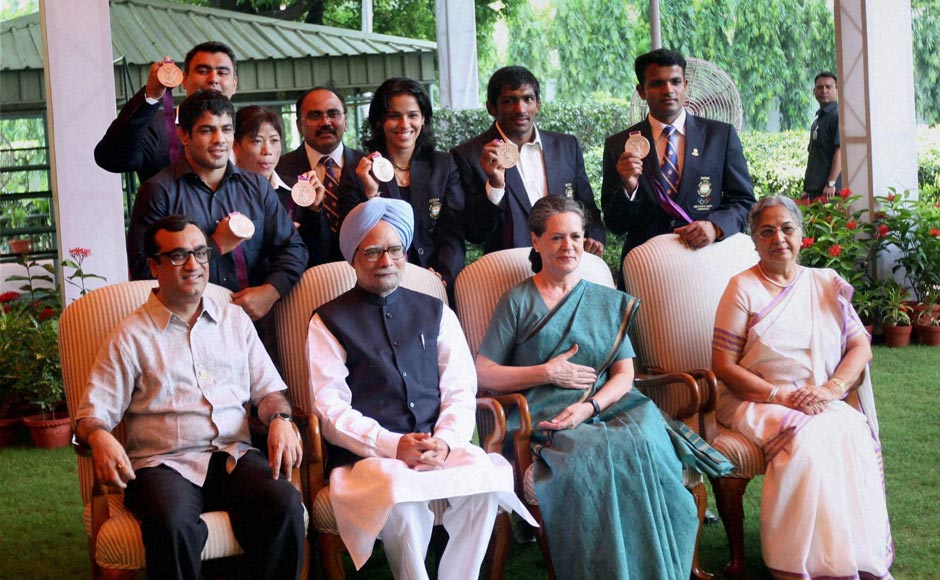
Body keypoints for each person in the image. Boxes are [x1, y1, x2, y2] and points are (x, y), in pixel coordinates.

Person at [475, 196, 731, 578]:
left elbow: (625, 374)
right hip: (548, 419)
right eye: (557, 237)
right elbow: (484, 371)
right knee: (590, 459)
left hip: (613, 407)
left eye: (576, 236)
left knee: (644, 448)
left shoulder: (604, 301)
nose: (569, 246)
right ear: (536, 241)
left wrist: (590, 407)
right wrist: (545, 373)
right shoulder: (517, 301)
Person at [306, 197, 534, 579]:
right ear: (353, 257)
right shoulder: (328, 320)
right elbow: (330, 410)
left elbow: (461, 389)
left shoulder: (437, 311)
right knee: (401, 494)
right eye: (374, 251)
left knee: (485, 477)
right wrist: (393, 445)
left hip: (439, 447)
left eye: (395, 250)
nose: (386, 261)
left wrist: (444, 441)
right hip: (370, 458)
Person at [74, 215, 306, 580]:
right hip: (164, 464)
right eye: (178, 256)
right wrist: (100, 436)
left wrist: (281, 420)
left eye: (200, 253)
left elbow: (270, 392)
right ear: (154, 265)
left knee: (284, 504)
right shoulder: (130, 335)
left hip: (234, 455)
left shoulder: (236, 321)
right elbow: (92, 413)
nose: (194, 265)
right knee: (172, 523)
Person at [712, 195, 892, 579]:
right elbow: (723, 366)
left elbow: (860, 346)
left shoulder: (825, 282)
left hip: (817, 397)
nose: (779, 238)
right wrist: (781, 396)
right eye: (767, 231)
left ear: (801, 234)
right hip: (757, 399)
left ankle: (848, 557)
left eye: (787, 228)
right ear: (755, 240)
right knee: (807, 440)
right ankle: (795, 561)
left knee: (851, 430)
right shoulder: (741, 287)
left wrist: (831, 388)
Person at [127, 90, 308, 321]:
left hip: (253, 323)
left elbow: (293, 248)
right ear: (183, 135)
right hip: (187, 324)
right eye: (207, 130)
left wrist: (271, 292)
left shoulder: (256, 187)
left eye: (226, 129)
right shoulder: (159, 191)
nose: (219, 139)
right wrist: (215, 246)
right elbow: (145, 269)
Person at [602, 48, 755, 265]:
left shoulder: (720, 136)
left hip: (707, 261)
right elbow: (614, 224)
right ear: (641, 91)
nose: (668, 90)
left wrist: (715, 226)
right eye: (657, 83)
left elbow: (745, 201)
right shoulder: (619, 145)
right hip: (645, 267)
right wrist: (628, 187)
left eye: (675, 81)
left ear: (686, 85)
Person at [451, 66, 605, 256]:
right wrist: (495, 186)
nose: (520, 109)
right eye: (509, 101)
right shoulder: (469, 155)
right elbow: (475, 233)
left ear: (538, 104)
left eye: (528, 99)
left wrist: (595, 239)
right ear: (491, 107)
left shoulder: (566, 146)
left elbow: (587, 209)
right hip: (508, 269)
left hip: (567, 262)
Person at [338, 78, 465, 292]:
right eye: (394, 116)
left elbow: (453, 232)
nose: (405, 125)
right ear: (379, 121)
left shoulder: (444, 165)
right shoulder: (358, 171)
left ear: (424, 119)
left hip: (436, 281)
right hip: (379, 283)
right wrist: (371, 195)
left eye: (413, 115)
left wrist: (441, 276)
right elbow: (352, 239)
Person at [96, 41, 239, 184]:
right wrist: (150, 96)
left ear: (234, 83)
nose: (213, 79)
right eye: (202, 71)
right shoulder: (156, 127)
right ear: (184, 79)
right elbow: (111, 158)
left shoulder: (248, 129)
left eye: (222, 73)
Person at [277, 86, 365, 266]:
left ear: (346, 121)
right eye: (315, 116)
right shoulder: (279, 171)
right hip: (303, 276)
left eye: (333, 114)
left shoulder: (367, 167)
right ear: (300, 125)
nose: (325, 122)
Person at [234, 105, 326, 232]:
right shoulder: (225, 192)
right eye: (257, 141)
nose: (267, 151)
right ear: (236, 145)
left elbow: (318, 248)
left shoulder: (297, 192)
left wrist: (315, 209)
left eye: (274, 140)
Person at [802, 72, 842, 200]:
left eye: (828, 87)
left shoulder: (838, 115)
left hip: (830, 191)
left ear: (836, 90)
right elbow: (814, 157)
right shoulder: (817, 121)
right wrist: (806, 189)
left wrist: (831, 183)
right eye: (819, 87)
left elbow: (840, 151)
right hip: (815, 191)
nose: (824, 90)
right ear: (814, 91)